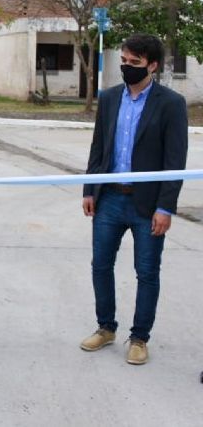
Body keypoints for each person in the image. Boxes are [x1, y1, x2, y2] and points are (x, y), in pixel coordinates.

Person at [80, 33, 188, 365]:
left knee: (147, 272)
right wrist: (89, 188)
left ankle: (139, 337)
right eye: (124, 62)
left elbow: (175, 160)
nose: (127, 67)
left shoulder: (170, 104)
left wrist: (165, 207)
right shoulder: (110, 98)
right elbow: (99, 147)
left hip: (147, 205)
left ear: (152, 66)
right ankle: (106, 327)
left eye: (134, 63)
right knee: (100, 265)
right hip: (110, 199)